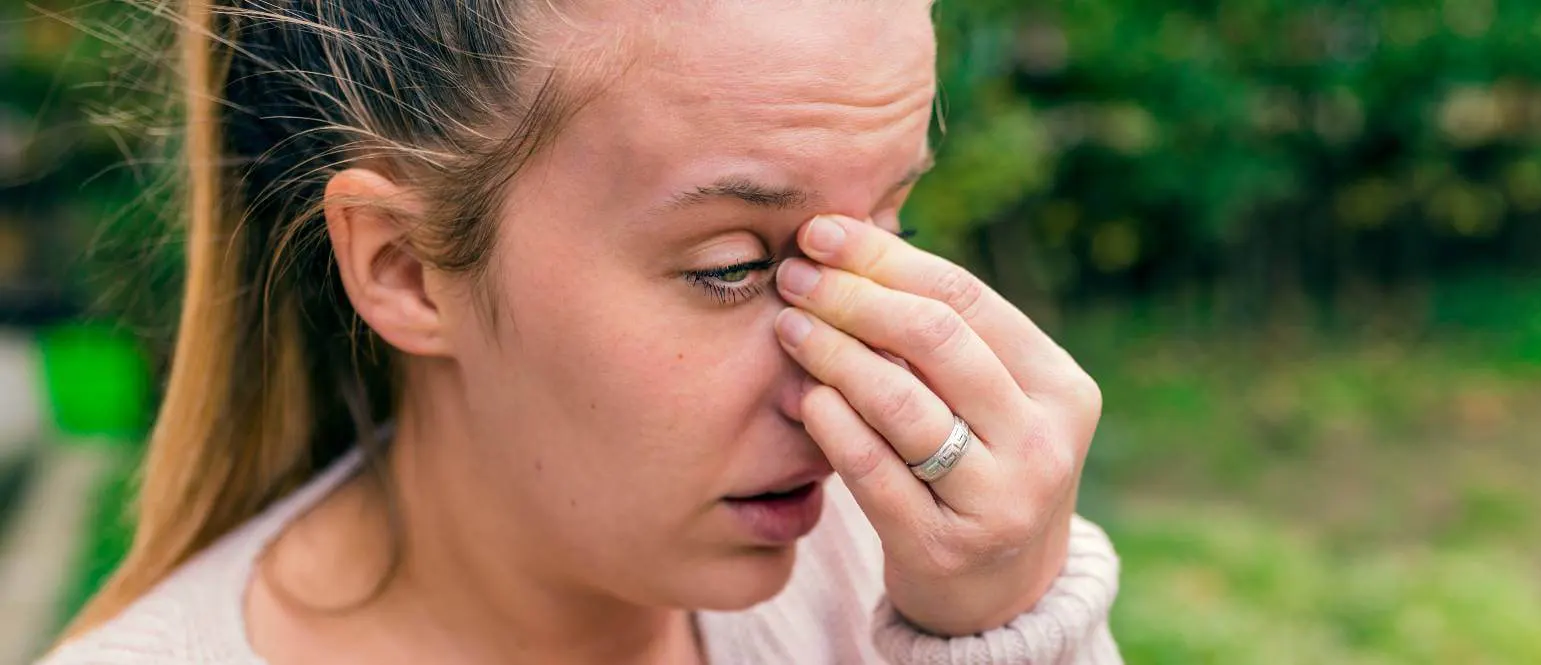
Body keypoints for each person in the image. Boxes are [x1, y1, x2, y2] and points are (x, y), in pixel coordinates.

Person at [41, 0, 1120, 663]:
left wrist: (1007, 626)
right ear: (405, 266)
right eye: (732, 266)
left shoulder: (901, 574)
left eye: (892, 228)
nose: (861, 363)